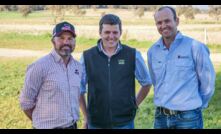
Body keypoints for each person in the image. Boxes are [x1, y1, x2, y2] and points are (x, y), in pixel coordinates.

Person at [147, 6, 216, 129]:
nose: (163, 25)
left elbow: (208, 82)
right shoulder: (152, 51)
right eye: (159, 23)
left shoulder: (195, 47)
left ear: (176, 21)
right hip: (161, 118)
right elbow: (156, 82)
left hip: (188, 118)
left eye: (167, 21)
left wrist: (195, 105)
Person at [79, 14, 152, 129]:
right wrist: (86, 117)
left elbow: (147, 83)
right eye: (107, 32)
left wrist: (134, 106)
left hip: (124, 123)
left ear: (120, 32)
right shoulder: (87, 56)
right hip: (96, 123)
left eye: (115, 32)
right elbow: (79, 89)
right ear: (100, 32)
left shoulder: (132, 54)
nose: (111, 36)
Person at [20, 21, 82, 129]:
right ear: (53, 41)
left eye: (70, 38)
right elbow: (26, 103)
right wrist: (41, 124)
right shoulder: (40, 66)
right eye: (61, 38)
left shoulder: (78, 67)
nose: (66, 42)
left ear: (74, 42)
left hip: (72, 126)